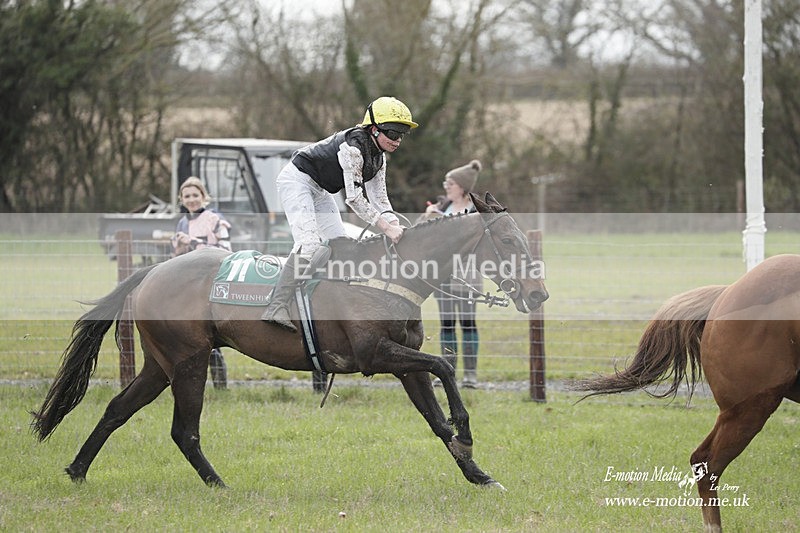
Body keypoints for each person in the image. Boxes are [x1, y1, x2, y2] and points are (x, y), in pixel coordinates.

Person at [261, 96, 419, 333]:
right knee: (309, 245)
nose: (397, 141)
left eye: (402, 135)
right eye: (393, 133)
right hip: (297, 181)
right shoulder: (353, 148)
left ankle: (321, 300)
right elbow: (355, 198)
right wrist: (387, 229)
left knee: (341, 245)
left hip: (320, 189)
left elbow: (380, 199)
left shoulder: (379, 157)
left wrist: (396, 225)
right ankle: (276, 306)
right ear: (374, 129)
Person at [421, 160, 483, 388]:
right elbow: (423, 233)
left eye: (451, 183)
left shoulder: (476, 211)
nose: (446, 187)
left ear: (463, 187)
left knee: (467, 323)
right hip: (443, 276)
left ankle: (470, 376)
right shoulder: (442, 206)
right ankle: (448, 373)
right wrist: (428, 216)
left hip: (468, 276)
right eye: (446, 183)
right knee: (447, 324)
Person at [171, 176, 231, 389]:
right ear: (181, 199)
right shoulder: (182, 223)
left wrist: (193, 242)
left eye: (195, 195)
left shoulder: (215, 219)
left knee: (211, 333)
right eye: (187, 196)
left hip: (212, 280)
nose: (191, 199)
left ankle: (221, 385)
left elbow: (226, 249)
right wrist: (179, 248)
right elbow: (177, 257)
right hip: (190, 284)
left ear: (204, 196)